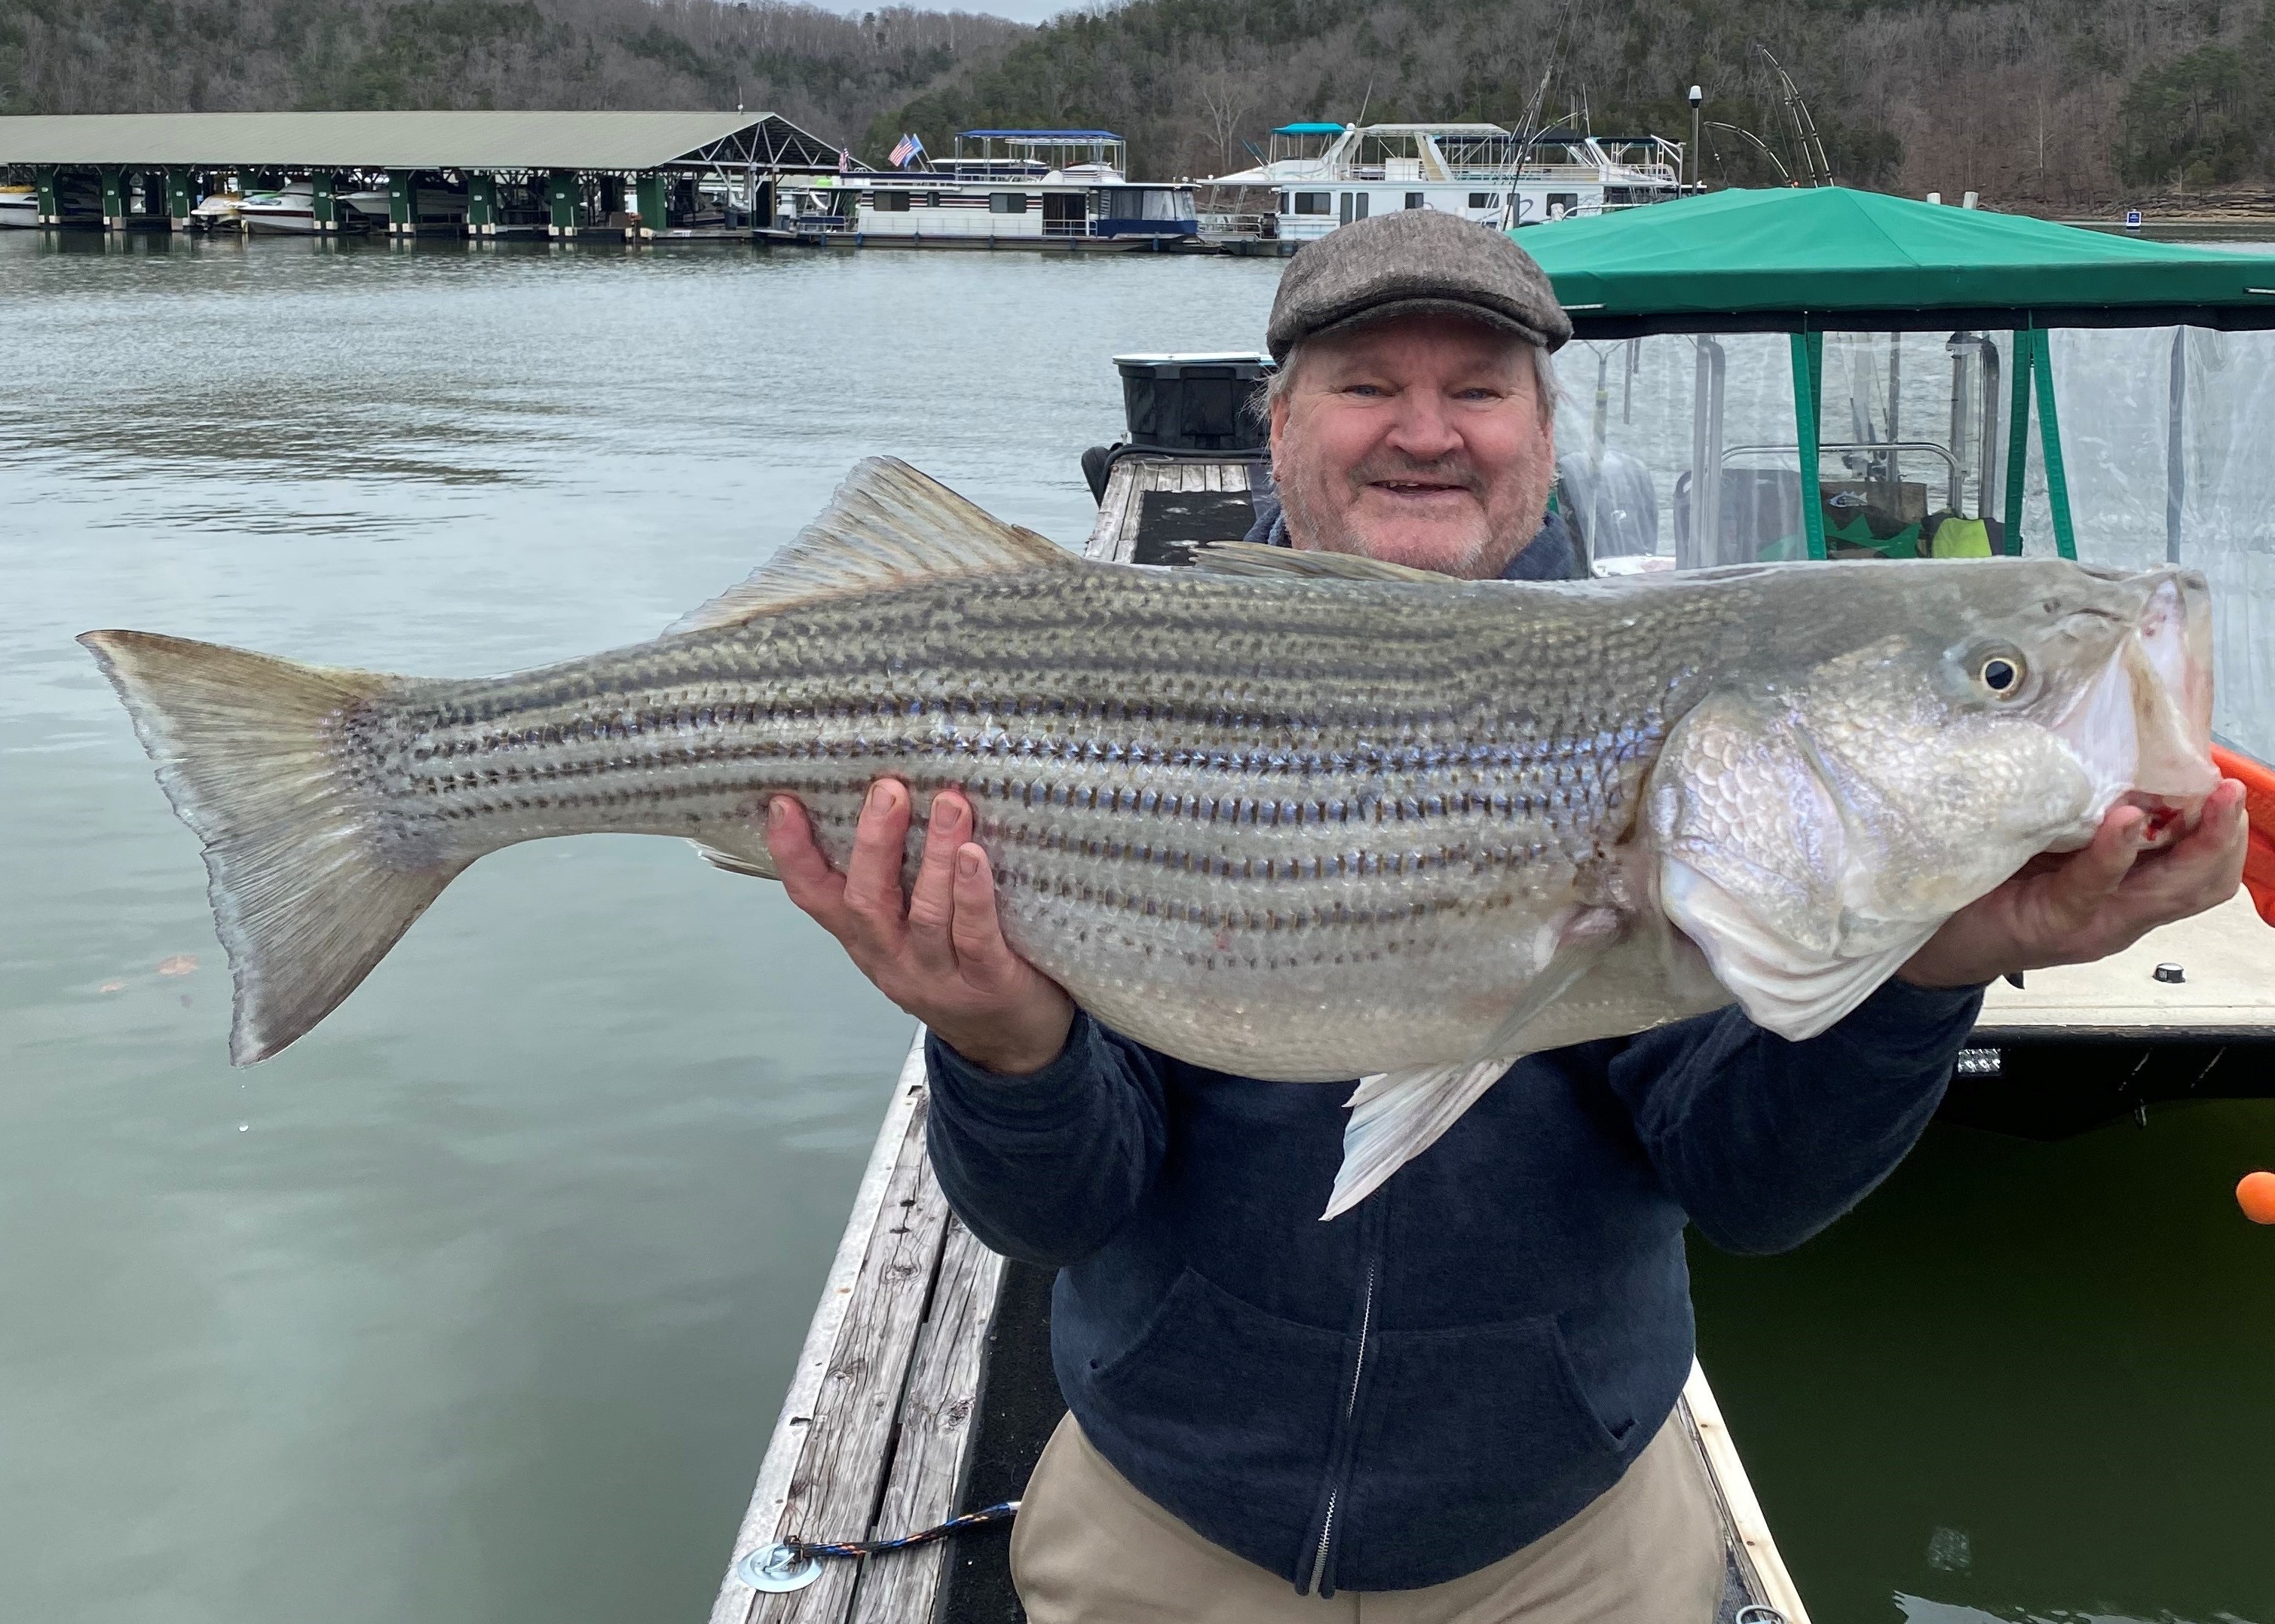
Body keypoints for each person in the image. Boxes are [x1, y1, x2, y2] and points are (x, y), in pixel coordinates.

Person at [763, 212, 2249, 1621]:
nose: (1426, 430)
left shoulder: (1673, 725)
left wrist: (1934, 968)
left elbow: (1752, 1190)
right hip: (1166, 1522)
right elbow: (1054, 1215)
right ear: (1277, 426)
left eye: (1478, 388)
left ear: (1542, 436)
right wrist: (1003, 1045)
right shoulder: (1140, 678)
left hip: (1568, 1542)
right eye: (1367, 385)